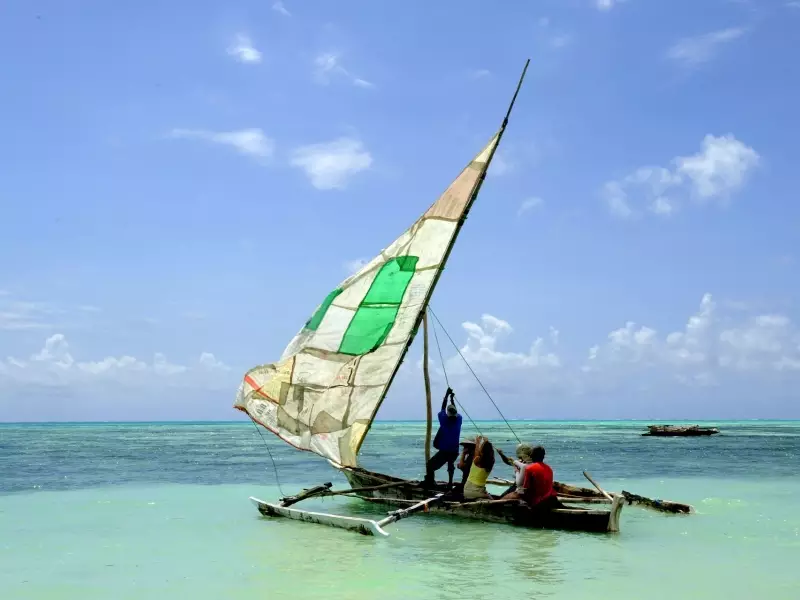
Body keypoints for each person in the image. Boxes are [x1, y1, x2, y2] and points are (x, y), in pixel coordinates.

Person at [497, 444, 560, 510]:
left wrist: (517, 472)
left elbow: (524, 487)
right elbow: (509, 461)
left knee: (504, 498)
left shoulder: (529, 467)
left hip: (534, 496)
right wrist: (501, 454)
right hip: (547, 495)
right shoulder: (548, 468)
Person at [423, 387, 462, 487]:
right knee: (450, 465)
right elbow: (454, 409)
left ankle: (430, 482)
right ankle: (450, 483)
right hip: (455, 450)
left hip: (445, 450)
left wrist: (446, 395)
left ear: (448, 414)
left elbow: (442, 409)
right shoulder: (459, 420)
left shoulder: (444, 420)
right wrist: (452, 399)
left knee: (430, 465)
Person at [463, 435, 496, 500]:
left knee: (489, 498)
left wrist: (478, 442)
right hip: (478, 491)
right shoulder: (491, 462)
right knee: (491, 499)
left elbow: (477, 452)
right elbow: (489, 452)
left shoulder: (477, 459)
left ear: (482, 451)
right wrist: (486, 442)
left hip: (468, 490)